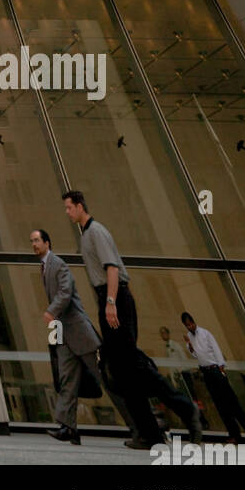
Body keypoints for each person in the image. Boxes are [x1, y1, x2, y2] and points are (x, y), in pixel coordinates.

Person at [62, 191, 203, 450]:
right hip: (112, 299)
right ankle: (150, 434)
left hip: (114, 299)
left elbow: (112, 269)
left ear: (80, 206)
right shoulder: (87, 235)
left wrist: (113, 303)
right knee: (124, 371)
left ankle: (184, 408)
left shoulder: (96, 232)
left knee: (131, 366)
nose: (67, 212)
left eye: (69, 208)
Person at [30, 227, 101, 445]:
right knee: (67, 380)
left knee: (107, 378)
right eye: (31, 241)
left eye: (37, 240)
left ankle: (141, 424)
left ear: (47, 243)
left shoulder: (58, 264)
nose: (33, 244)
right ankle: (68, 428)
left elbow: (65, 292)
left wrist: (51, 310)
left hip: (79, 332)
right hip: (63, 333)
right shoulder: (43, 267)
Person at [182, 311, 245, 442]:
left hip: (216, 369)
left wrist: (221, 367)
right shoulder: (189, 337)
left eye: (191, 323)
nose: (190, 327)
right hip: (206, 373)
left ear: (194, 322)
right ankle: (234, 434)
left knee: (231, 402)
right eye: (187, 325)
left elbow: (216, 349)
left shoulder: (205, 333)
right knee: (220, 405)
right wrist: (189, 346)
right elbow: (196, 355)